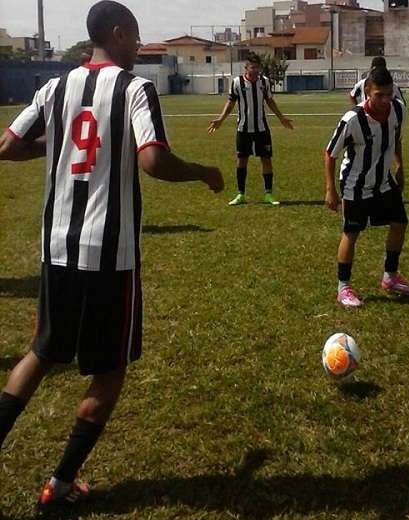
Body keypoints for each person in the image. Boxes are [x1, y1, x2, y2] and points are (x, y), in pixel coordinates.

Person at [0, 0, 223, 512]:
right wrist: (202, 172)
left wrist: (54, 146)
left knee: (40, 354)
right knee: (110, 371)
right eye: (136, 36)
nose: (139, 45)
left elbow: (7, 146)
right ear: (118, 33)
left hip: (56, 246)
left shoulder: (54, 87)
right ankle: (59, 484)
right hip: (109, 253)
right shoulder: (134, 88)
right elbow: (153, 159)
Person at [325, 67, 409, 309]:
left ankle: (390, 276)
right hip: (355, 185)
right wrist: (330, 189)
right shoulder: (353, 119)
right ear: (367, 91)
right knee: (351, 233)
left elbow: (396, 139)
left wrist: (400, 167)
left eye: (389, 94)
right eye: (379, 95)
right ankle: (343, 287)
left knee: (400, 223)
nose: (385, 100)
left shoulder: (398, 110)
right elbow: (330, 153)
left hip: (384, 181)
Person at [208, 53, 293, 206]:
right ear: (246, 68)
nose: (255, 70)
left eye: (257, 67)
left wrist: (281, 117)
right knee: (242, 160)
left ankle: (268, 194)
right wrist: (220, 119)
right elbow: (231, 103)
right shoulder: (237, 83)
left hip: (262, 129)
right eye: (252, 67)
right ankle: (241, 194)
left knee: (266, 159)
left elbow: (270, 101)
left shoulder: (264, 82)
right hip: (243, 129)